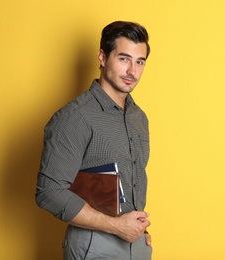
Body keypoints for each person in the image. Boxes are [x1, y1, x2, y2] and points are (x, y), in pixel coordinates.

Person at [35, 21, 153, 260]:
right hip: (94, 245)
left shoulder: (138, 118)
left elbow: (131, 181)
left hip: (137, 244)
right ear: (102, 57)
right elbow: (49, 192)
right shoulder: (74, 118)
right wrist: (117, 226)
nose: (133, 70)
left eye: (139, 62)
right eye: (123, 58)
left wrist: (140, 229)